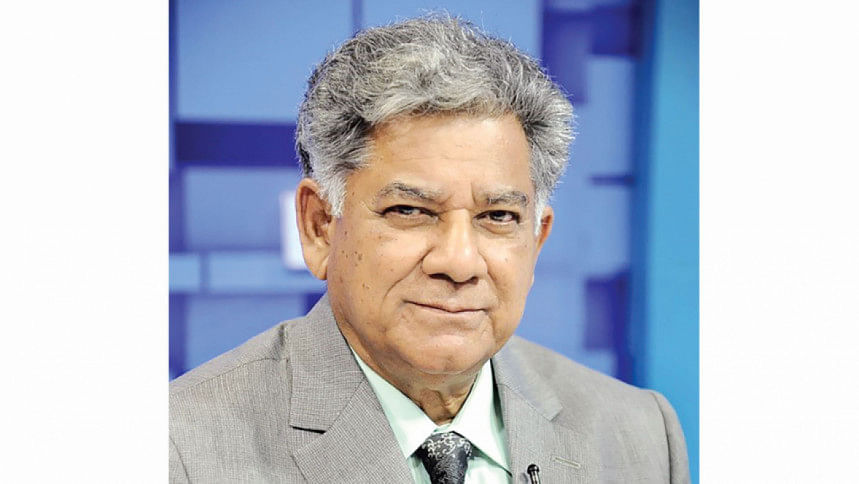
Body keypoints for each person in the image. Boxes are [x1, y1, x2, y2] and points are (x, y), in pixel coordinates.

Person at [169, 15, 689, 483]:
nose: (459, 262)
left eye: (498, 217)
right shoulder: (180, 449)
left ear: (536, 242)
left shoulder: (639, 434)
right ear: (321, 226)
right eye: (410, 211)